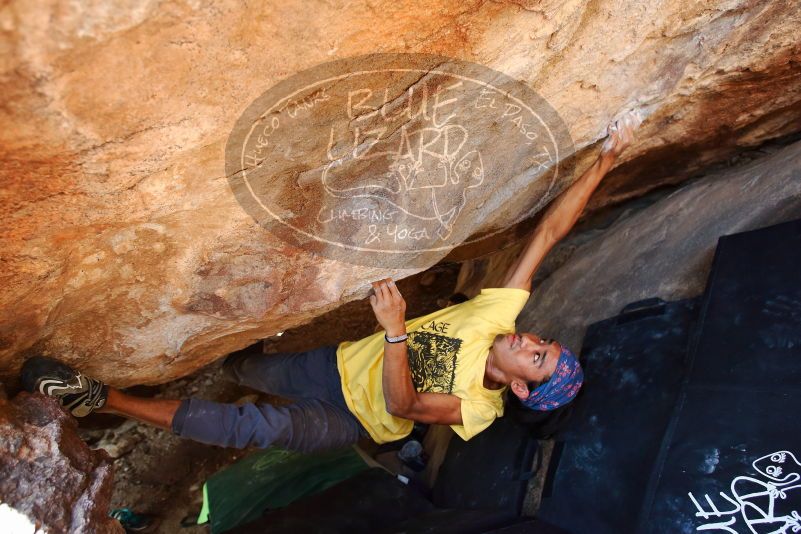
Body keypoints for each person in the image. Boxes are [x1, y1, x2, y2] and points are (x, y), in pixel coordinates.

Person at [21, 113, 641, 452]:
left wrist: (397, 334)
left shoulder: (477, 409)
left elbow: (403, 407)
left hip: (355, 421)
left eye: (536, 357)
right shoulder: (494, 320)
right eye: (544, 342)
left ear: (519, 390)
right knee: (254, 374)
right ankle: (229, 368)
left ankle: (104, 400)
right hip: (334, 363)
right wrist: (610, 156)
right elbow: (546, 237)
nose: (532, 340)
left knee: (253, 430)